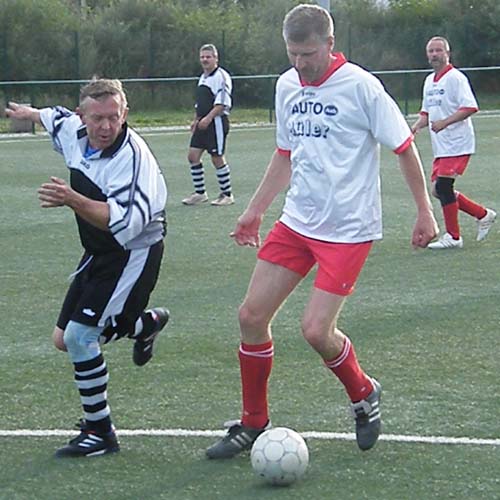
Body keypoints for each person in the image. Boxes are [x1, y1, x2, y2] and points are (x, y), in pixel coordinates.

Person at [206, 4, 438, 460]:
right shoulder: (287, 85)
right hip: (297, 222)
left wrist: (425, 214)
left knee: (315, 331)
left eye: (308, 53)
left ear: (329, 45)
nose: (300, 63)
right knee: (251, 317)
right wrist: (253, 212)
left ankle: (364, 392)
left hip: (349, 229)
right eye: (292, 53)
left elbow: (405, 150)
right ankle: (253, 423)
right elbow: (284, 154)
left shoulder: (363, 87)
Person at [5, 78, 169, 458]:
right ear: (83, 116)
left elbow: (122, 226)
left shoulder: (132, 161)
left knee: (80, 338)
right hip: (98, 252)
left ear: (125, 114)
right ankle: (145, 324)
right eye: (97, 118)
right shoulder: (73, 131)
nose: (106, 126)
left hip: (132, 252)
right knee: (63, 339)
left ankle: (100, 432)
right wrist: (29, 113)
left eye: (114, 117)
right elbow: (54, 117)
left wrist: (72, 198)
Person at [411, 36, 496, 249]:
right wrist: (415, 127)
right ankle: (483, 214)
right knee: (438, 191)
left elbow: (470, 107)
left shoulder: (456, 78)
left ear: (447, 54)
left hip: (458, 143)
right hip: (441, 146)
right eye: (431, 51)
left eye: (438, 50)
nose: (434, 55)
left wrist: (446, 123)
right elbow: (426, 112)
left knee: (443, 186)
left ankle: (454, 237)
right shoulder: (429, 81)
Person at [182, 44, 235, 206]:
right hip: (203, 123)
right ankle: (200, 193)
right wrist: (196, 120)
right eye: (202, 57)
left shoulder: (222, 76)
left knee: (216, 157)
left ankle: (227, 194)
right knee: (193, 156)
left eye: (208, 57)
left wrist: (209, 118)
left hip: (216, 122)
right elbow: (201, 102)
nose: (205, 60)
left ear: (215, 58)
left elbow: (222, 103)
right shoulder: (203, 77)